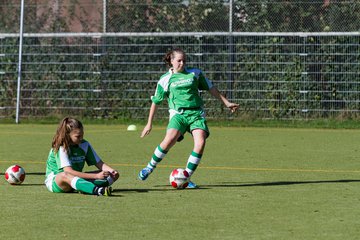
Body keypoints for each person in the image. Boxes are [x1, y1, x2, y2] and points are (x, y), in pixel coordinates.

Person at [138, 48, 239, 188]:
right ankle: (149, 167)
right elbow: (155, 102)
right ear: (171, 61)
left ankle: (187, 176)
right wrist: (149, 124)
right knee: (168, 141)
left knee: (200, 142)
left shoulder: (195, 74)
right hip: (178, 115)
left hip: (196, 114)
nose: (182, 63)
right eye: (179, 60)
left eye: (184, 60)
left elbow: (211, 88)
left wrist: (226, 103)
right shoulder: (165, 80)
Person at [45, 117, 119, 196]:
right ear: (67, 135)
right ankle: (97, 190)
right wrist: (96, 176)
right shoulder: (61, 147)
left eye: (82, 135)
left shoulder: (84, 144)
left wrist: (112, 172)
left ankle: (83, 186)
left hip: (75, 178)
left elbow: (99, 163)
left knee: (109, 175)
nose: (81, 138)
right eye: (77, 136)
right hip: (58, 181)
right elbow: (68, 171)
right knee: (65, 175)